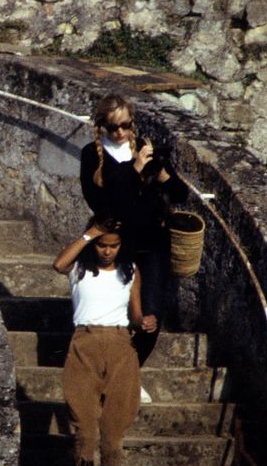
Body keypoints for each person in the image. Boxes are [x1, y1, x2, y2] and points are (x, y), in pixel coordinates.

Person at [52, 217, 156, 466]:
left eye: (113, 245)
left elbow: (136, 313)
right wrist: (87, 235)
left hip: (120, 347)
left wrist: (145, 322)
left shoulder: (130, 271)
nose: (107, 251)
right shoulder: (79, 269)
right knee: (85, 434)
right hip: (85, 344)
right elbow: (58, 263)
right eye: (102, 244)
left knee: (113, 437)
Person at [79, 94, 188, 370]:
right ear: (102, 126)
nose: (119, 133)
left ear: (132, 124)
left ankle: (127, 371)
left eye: (125, 126)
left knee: (151, 317)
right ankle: (108, 371)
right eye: (113, 127)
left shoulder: (143, 147)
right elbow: (103, 203)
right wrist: (135, 169)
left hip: (151, 244)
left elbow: (180, 193)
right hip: (115, 243)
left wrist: (163, 175)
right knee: (114, 313)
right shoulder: (91, 155)